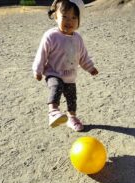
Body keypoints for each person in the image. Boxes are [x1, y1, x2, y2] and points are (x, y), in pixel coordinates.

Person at [32, 0, 98, 132]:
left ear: (79, 20)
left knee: (72, 98)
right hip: (53, 73)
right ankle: (53, 112)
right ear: (56, 16)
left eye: (74, 17)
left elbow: (83, 56)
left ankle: (71, 118)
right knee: (56, 87)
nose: (69, 21)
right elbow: (42, 54)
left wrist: (90, 67)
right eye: (65, 16)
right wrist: (38, 70)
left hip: (70, 76)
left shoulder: (77, 38)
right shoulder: (51, 36)